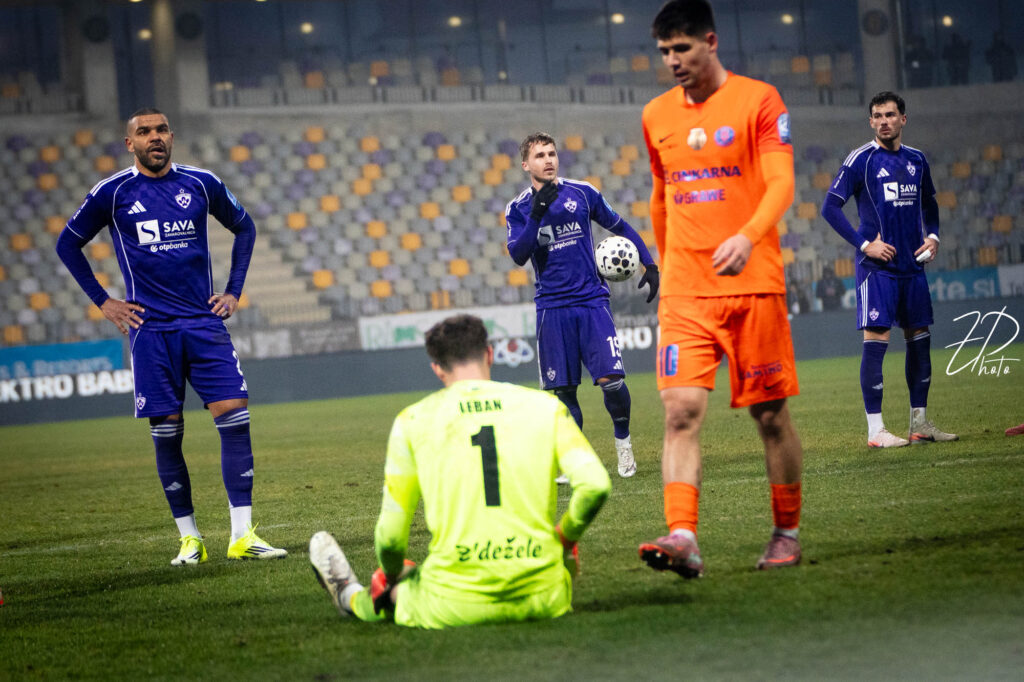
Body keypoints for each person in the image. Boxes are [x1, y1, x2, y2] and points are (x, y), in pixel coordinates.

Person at [55, 108, 286, 565]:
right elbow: (67, 243)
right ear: (130, 144)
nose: (154, 137)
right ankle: (190, 539)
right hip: (151, 331)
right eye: (144, 132)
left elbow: (244, 226)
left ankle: (242, 535)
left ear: (171, 136)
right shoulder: (112, 192)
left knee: (235, 416)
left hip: (203, 323)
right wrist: (104, 302)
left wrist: (234, 291)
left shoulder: (201, 183)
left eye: (161, 130)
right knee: (167, 433)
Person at [639, 0, 805, 577]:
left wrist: (748, 236)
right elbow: (661, 198)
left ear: (710, 42)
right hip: (686, 291)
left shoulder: (759, 100)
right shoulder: (656, 114)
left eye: (682, 48)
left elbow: (781, 183)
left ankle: (786, 533)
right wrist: (668, 271)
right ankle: (683, 536)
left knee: (770, 416)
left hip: (753, 285)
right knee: (680, 411)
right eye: (664, 51)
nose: (672, 60)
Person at [309, 314, 611, 628]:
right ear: (489, 355)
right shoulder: (545, 408)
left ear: (437, 369)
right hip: (545, 598)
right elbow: (596, 485)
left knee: (392, 591)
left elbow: (390, 540)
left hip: (453, 605)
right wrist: (564, 537)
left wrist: (393, 572)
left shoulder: (412, 421)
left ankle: (351, 596)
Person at [505, 132, 660, 479]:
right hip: (552, 308)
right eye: (540, 155)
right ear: (525, 164)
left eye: (551, 153)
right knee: (563, 391)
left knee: (612, 381)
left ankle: (623, 444)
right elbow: (519, 255)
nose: (548, 160)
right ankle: (573, 460)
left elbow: (620, 225)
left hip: (591, 301)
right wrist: (537, 213)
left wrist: (648, 263)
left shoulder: (582, 193)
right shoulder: (518, 208)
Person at [820, 91, 958, 448]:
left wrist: (933, 236)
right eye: (878, 116)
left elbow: (930, 203)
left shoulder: (917, 160)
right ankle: (876, 430)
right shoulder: (861, 160)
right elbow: (830, 207)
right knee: (877, 339)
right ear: (871, 122)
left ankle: (920, 424)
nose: (884, 121)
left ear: (903, 119)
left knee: (920, 341)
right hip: (876, 269)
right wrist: (865, 244)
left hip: (912, 267)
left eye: (890, 115)